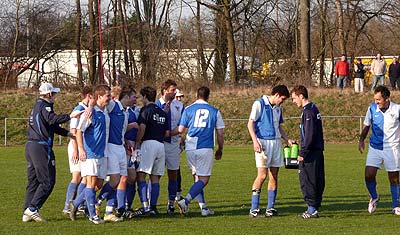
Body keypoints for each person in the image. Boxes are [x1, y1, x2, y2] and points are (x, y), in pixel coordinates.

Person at [23, 82, 73, 222]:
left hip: (31, 146)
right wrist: (71, 115)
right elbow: (53, 119)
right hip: (41, 148)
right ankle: (32, 209)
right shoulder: (45, 106)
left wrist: (67, 133)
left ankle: (26, 212)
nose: (55, 96)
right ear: (50, 94)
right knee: (48, 181)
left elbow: (50, 125)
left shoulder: (36, 106)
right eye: (54, 94)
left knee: (33, 182)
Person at [176, 86, 224, 216]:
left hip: (190, 147)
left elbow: (180, 129)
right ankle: (185, 201)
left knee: (197, 178)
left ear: (197, 95)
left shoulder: (188, 109)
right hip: (205, 146)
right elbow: (220, 134)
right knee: (204, 179)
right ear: (208, 96)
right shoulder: (214, 111)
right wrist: (220, 149)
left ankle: (203, 208)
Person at [247, 85, 294, 217]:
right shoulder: (259, 104)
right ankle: (254, 208)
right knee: (262, 175)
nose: (282, 102)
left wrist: (287, 139)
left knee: (274, 175)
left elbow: (278, 127)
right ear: (277, 95)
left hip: (276, 142)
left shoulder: (278, 108)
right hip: (263, 142)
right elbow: (250, 124)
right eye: (282, 99)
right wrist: (255, 141)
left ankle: (270, 208)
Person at [68, 84, 112, 224]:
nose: (110, 98)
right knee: (91, 183)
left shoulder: (105, 111)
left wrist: (92, 105)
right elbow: (79, 131)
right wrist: (81, 149)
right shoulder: (90, 113)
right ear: (100, 97)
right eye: (107, 96)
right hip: (90, 153)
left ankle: (74, 204)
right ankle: (93, 215)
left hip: (103, 153)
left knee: (98, 184)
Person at [358, 85, 400, 216]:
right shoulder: (371, 108)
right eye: (375, 99)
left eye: (379, 99)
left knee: (394, 178)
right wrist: (361, 140)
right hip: (375, 147)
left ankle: (396, 206)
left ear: (387, 98)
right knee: (368, 174)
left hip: (392, 147)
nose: (376, 102)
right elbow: (366, 125)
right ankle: (374, 197)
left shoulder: (397, 109)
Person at [290, 85, 325, 219]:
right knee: (317, 179)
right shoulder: (313, 108)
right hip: (317, 151)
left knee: (307, 180)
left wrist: (302, 153)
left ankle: (311, 209)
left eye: (294, 98)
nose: (294, 102)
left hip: (310, 153)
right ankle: (314, 207)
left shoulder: (308, 112)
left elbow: (309, 135)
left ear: (301, 96)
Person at [134, 86, 169, 216]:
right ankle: (153, 207)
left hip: (148, 144)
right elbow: (166, 132)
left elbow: (142, 128)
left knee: (141, 175)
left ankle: (145, 207)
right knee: (155, 179)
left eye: (141, 97)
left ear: (145, 97)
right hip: (161, 145)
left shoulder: (145, 110)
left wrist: (137, 142)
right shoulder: (162, 112)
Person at [62, 86, 93, 215]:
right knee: (77, 176)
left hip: (83, 147)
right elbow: (74, 131)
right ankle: (68, 206)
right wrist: (76, 150)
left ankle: (78, 205)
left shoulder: (87, 109)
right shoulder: (79, 109)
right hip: (76, 146)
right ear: (89, 96)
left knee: (84, 177)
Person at [155, 80, 184, 214]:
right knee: (155, 175)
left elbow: (182, 124)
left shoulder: (179, 105)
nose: (175, 92)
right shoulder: (156, 105)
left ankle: (171, 204)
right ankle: (152, 205)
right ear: (164, 90)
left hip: (173, 143)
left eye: (175, 90)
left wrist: (176, 134)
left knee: (173, 174)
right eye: (172, 90)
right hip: (159, 143)